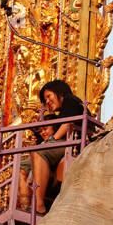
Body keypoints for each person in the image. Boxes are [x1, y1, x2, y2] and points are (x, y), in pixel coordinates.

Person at [19, 80, 87, 216]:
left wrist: (51, 141)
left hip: (75, 145)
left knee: (38, 152)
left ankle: (39, 207)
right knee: (20, 167)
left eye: (49, 96)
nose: (48, 101)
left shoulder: (70, 100)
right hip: (61, 145)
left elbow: (67, 124)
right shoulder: (60, 112)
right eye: (46, 99)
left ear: (59, 92)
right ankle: (25, 206)